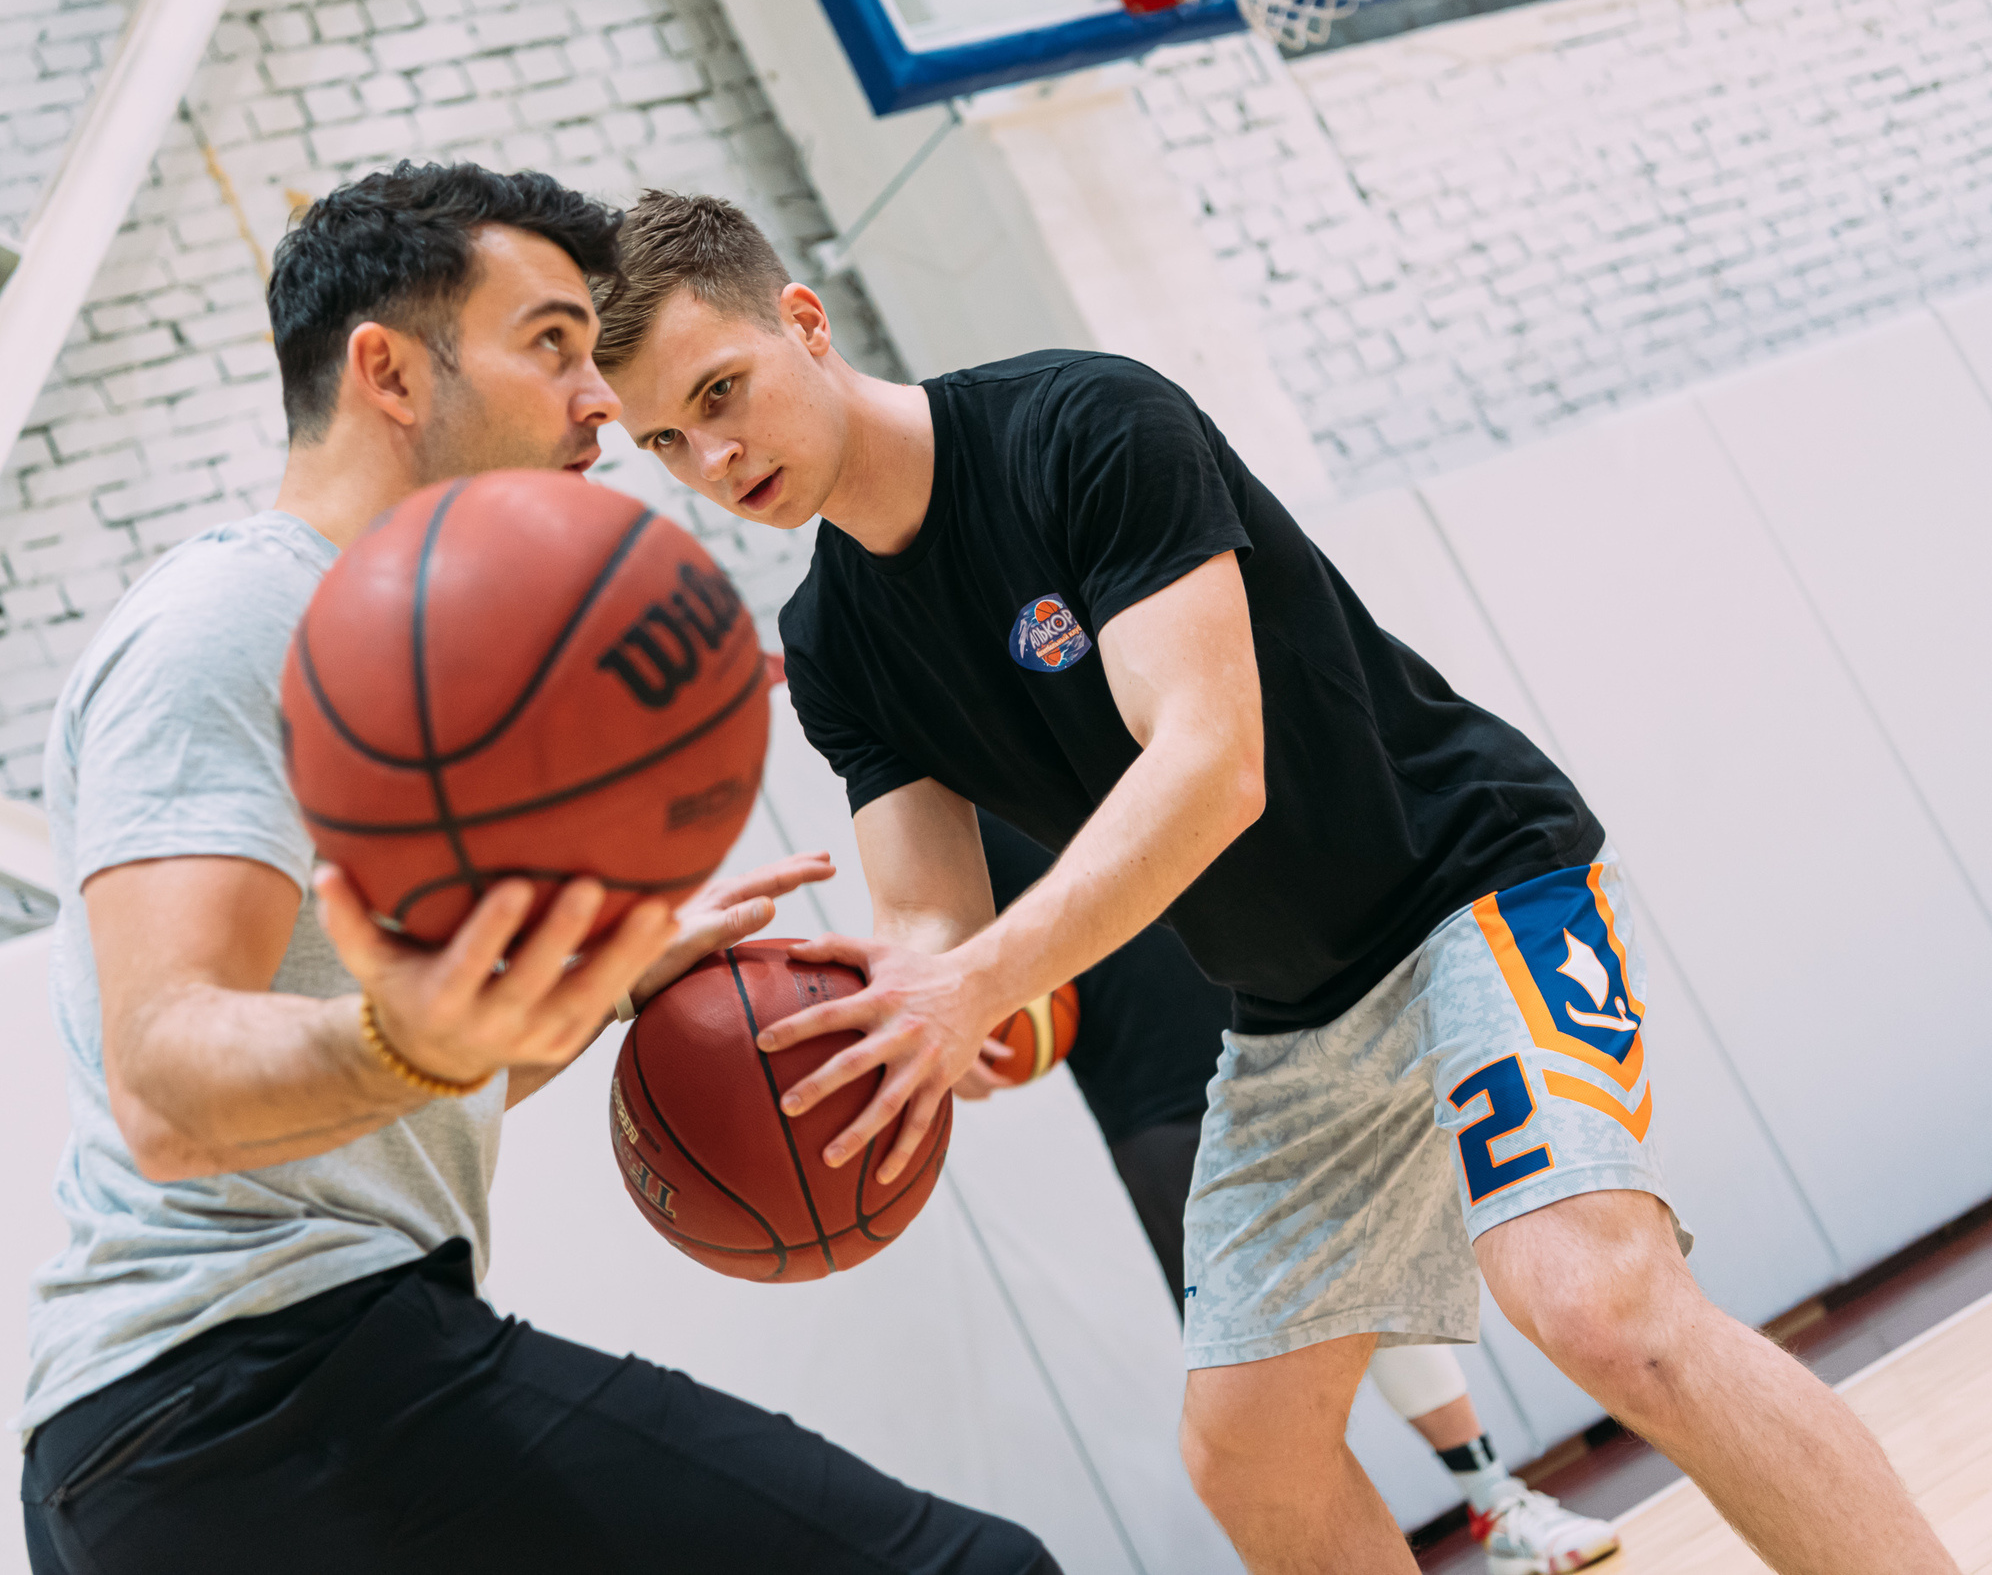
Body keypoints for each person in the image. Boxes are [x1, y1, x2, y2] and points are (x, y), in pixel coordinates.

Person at [591, 189, 1955, 1575]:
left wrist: (980, 977)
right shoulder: (832, 640)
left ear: (804, 322)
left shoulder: (1082, 423)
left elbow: (1209, 764)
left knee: (1593, 1304)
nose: (713, 456)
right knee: (1246, 1455)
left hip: (1467, 889)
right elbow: (930, 909)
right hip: (1290, 1011)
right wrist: (896, 1018)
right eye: (664, 442)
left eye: (721, 392)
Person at [16, 164, 1059, 1575]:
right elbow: (165, 1083)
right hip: (253, 1395)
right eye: (554, 346)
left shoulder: (407, 655)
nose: (600, 402)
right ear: (389, 372)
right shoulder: (239, 616)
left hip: (219, 1434)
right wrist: (410, 1033)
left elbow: (381, 1085)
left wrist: (594, 990)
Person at [970, 808, 1621, 1574]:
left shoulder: (1098, 733)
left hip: (1269, 1025)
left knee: (1374, 1285)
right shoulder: (944, 800)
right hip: (1151, 1098)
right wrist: (972, 1035)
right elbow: (959, 972)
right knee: (1258, 1373)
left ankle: (1496, 1500)